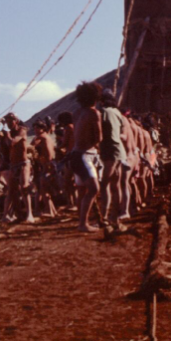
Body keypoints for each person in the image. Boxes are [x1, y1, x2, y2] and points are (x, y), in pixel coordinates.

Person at [71, 81, 103, 233]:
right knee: (94, 189)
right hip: (85, 156)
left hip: (76, 155)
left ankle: (82, 221)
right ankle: (83, 224)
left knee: (82, 190)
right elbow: (99, 137)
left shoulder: (77, 113)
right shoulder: (94, 113)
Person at [98, 92, 127, 230]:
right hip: (119, 150)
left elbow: (100, 133)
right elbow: (122, 133)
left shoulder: (103, 112)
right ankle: (114, 217)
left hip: (110, 150)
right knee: (116, 185)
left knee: (105, 185)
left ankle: (104, 217)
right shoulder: (117, 112)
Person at [4, 114, 35, 224]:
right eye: (6, 122)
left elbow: (11, 143)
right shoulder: (10, 132)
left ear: (16, 121)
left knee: (24, 187)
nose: (8, 124)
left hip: (23, 164)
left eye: (10, 121)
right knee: (11, 190)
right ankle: (11, 214)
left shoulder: (22, 131)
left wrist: (6, 134)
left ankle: (30, 214)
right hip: (13, 165)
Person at [32, 120, 58, 217]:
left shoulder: (41, 138)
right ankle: (52, 210)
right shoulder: (46, 137)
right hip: (48, 165)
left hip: (46, 165)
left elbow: (48, 155)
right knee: (43, 188)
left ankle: (50, 211)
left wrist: (44, 164)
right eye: (34, 128)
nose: (35, 130)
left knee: (43, 189)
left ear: (43, 129)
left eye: (38, 128)